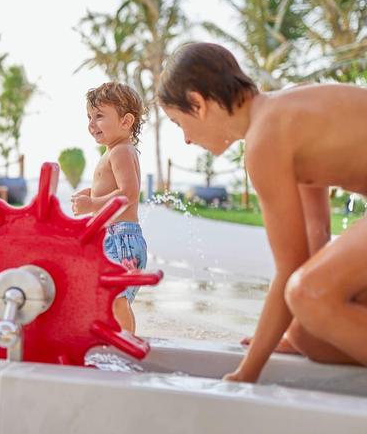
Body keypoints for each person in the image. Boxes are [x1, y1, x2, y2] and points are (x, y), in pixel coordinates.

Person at [157, 41, 367, 383]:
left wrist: (246, 371)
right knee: (307, 335)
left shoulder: (264, 140)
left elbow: (291, 272)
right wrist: (286, 333)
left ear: (197, 103)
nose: (186, 141)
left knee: (307, 295)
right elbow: (315, 239)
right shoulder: (285, 113)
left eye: (178, 123)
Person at [72, 82, 148, 333]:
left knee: (116, 297)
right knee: (104, 296)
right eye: (89, 117)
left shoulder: (121, 152)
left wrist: (92, 204)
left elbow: (129, 193)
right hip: (113, 238)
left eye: (100, 116)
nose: (92, 124)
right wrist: (90, 194)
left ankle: (127, 343)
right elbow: (113, 189)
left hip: (122, 239)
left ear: (126, 121)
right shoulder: (114, 152)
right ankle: (112, 339)